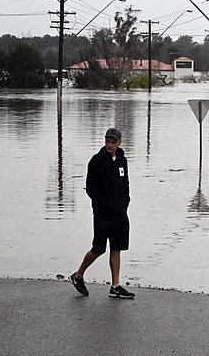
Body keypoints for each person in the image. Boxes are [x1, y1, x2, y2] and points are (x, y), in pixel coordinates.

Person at [70, 127, 135, 299]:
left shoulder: (122, 161)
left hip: (120, 213)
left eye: (113, 142)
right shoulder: (96, 161)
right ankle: (78, 276)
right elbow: (91, 189)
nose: (110, 145)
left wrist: (125, 202)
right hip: (102, 213)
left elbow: (125, 184)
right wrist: (105, 204)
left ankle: (115, 286)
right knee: (98, 248)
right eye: (107, 141)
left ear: (119, 143)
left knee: (117, 248)